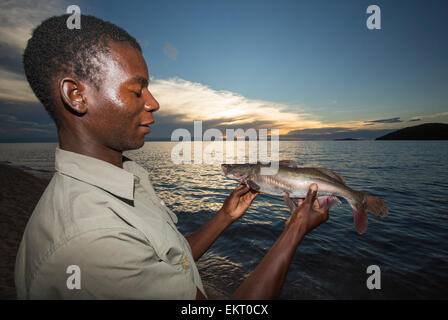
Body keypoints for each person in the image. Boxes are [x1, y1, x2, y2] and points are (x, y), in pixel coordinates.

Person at [15, 14, 328, 300]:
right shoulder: (91, 240)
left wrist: (224, 217)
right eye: (137, 91)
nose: (154, 103)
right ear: (76, 95)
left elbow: (169, 262)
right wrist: (295, 229)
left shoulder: (119, 182)